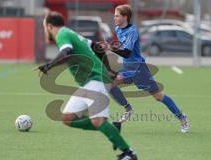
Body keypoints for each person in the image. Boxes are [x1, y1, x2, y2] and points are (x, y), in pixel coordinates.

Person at [35, 11, 138, 160]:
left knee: (97, 121)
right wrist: (109, 70)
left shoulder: (62, 34)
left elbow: (66, 52)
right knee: (67, 118)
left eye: (45, 27)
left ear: (49, 26)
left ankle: (129, 153)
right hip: (87, 82)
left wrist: (48, 66)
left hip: (95, 79)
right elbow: (99, 48)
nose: (45, 30)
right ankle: (112, 128)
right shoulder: (71, 33)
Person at [100, 4, 190, 133]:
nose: (114, 18)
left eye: (117, 15)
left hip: (139, 70)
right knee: (109, 83)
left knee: (158, 96)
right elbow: (121, 46)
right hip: (127, 68)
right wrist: (110, 43)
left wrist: (111, 47)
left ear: (125, 17)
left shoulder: (133, 31)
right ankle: (128, 109)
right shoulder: (118, 29)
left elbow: (127, 53)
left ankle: (182, 118)